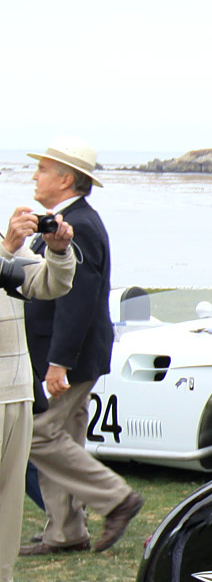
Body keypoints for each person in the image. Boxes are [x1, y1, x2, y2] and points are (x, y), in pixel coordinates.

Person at [21, 140, 143, 557]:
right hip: (67, 354)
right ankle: (65, 532)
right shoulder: (64, 222)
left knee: (37, 435)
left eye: (42, 169)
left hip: (66, 356)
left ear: (66, 179)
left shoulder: (80, 226)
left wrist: (59, 363)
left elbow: (77, 298)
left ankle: (115, 498)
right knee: (64, 437)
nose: (35, 176)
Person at [0, 189, 75, 582]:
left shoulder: (9, 247)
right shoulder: (5, 246)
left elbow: (50, 284)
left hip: (14, 391)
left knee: (10, 502)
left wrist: (59, 250)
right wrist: (8, 248)